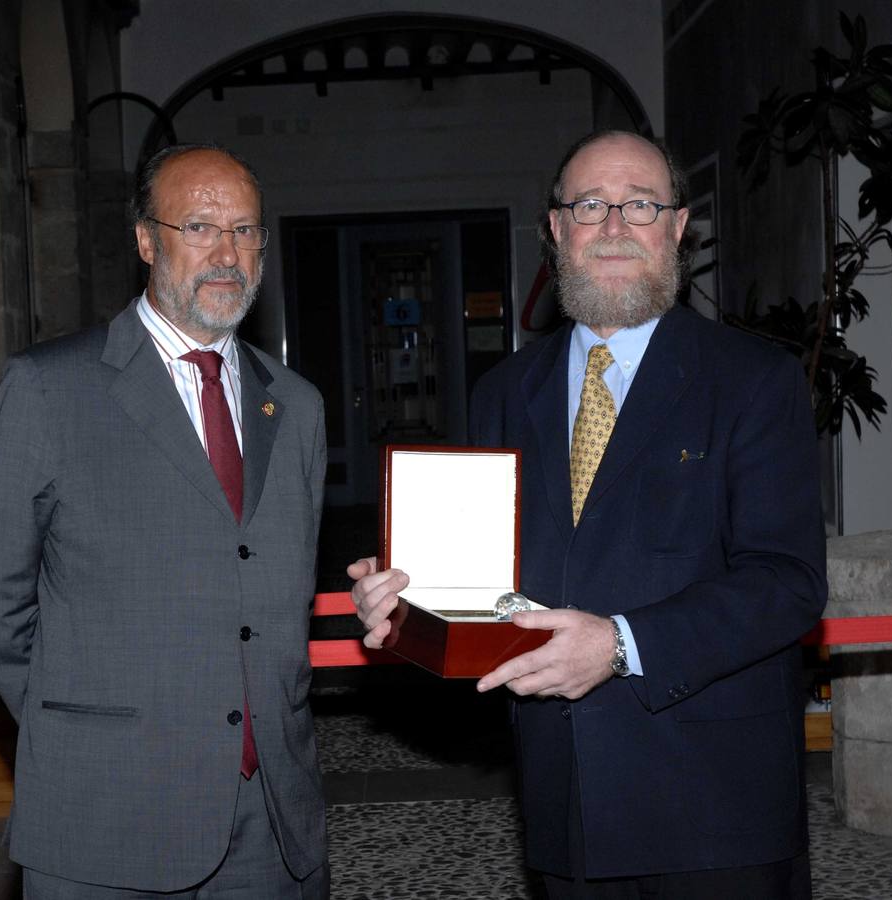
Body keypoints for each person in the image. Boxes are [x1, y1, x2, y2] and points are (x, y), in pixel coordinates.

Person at [349, 130, 827, 899]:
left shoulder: (752, 382)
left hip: (713, 806)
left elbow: (788, 582)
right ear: (554, 229)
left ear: (676, 228)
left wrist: (621, 644)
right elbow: (493, 583)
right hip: (560, 795)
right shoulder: (504, 391)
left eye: (639, 205)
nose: (612, 227)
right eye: (588, 205)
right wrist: (407, 604)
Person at [0, 143, 329, 898]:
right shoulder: (50, 389)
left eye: (246, 231)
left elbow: (268, 580)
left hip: (268, 817)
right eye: (199, 227)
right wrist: (79, 720)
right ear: (147, 241)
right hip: (107, 807)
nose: (227, 252)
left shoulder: (295, 405)